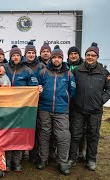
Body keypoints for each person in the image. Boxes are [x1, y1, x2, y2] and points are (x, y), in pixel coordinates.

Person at [67, 42, 110, 171]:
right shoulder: (77, 71)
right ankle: (72, 158)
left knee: (93, 135)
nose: (90, 57)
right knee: (76, 134)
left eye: (93, 55)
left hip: (95, 111)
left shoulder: (104, 72)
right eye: (88, 55)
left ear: (97, 57)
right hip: (78, 110)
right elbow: (69, 86)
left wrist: (100, 101)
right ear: (85, 56)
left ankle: (91, 160)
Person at [35, 45, 76, 175]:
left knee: (63, 136)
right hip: (44, 108)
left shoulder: (68, 74)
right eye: (54, 57)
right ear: (51, 58)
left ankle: (62, 162)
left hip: (61, 110)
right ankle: (43, 159)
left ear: (62, 59)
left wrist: (64, 101)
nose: (56, 59)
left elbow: (72, 91)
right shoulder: (43, 72)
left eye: (59, 57)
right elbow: (37, 88)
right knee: (44, 134)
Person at [3, 45, 40, 172]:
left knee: (18, 134)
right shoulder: (5, 68)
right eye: (13, 55)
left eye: (18, 55)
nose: (15, 57)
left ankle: (17, 161)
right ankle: (7, 162)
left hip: (22, 108)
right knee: (7, 134)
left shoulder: (27, 70)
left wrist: (37, 90)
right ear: (10, 57)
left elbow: (34, 87)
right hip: (6, 108)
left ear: (21, 56)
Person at [23, 41, 46, 164]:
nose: (31, 55)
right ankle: (20, 153)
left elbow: (45, 82)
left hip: (37, 102)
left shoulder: (41, 66)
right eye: (28, 52)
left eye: (33, 53)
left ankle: (33, 154)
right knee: (22, 128)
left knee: (36, 128)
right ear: (25, 54)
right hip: (23, 104)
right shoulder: (20, 65)